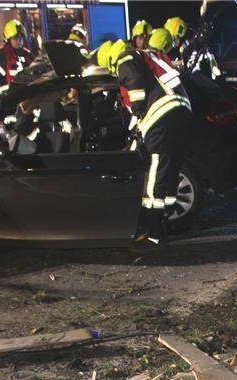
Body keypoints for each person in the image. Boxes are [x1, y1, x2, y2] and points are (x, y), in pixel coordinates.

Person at [97, 39, 192, 244]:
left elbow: (133, 81)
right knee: (170, 166)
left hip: (161, 115)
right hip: (182, 111)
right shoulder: (147, 55)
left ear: (111, 59)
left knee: (156, 168)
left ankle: (153, 230)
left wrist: (139, 109)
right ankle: (167, 221)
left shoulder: (126, 57)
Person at [0, 19, 33, 88]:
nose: (19, 41)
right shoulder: (0, 56)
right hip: (10, 96)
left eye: (21, 38)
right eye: (16, 38)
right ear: (8, 40)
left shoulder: (28, 55)